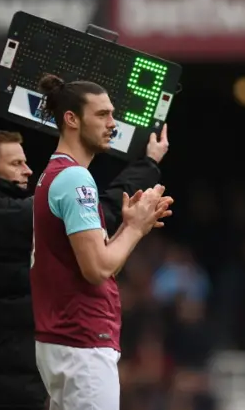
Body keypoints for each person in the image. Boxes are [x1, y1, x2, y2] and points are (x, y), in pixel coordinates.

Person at [0, 68, 171, 410]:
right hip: (47, 358)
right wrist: (139, 210)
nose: (28, 169)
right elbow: (100, 245)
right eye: (16, 163)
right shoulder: (40, 203)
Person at [31, 73, 174, 410]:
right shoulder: (76, 178)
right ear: (71, 119)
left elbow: (100, 263)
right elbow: (97, 269)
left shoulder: (55, 175)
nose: (113, 123)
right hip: (82, 340)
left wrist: (129, 227)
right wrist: (137, 229)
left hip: (64, 339)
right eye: (102, 114)